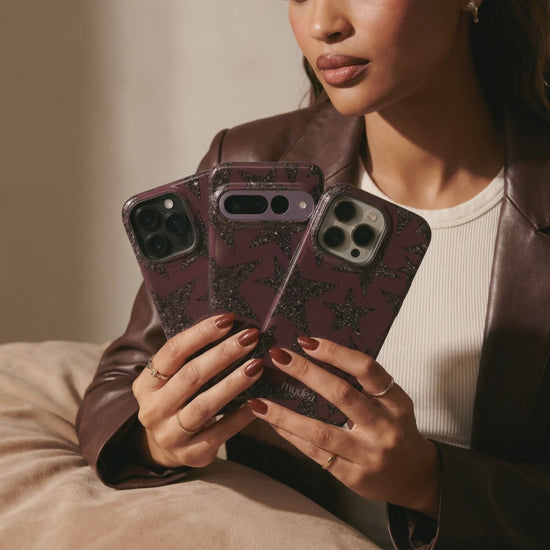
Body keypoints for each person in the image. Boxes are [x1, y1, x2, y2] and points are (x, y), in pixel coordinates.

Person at [77, 1, 550, 548]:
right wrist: (158, 441)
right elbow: (122, 379)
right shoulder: (251, 162)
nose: (324, 25)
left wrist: (430, 482)